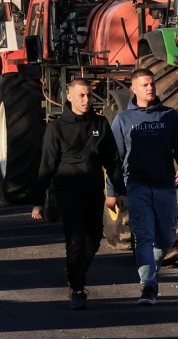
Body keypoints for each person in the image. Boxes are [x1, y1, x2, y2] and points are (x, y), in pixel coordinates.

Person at [30, 79, 124, 310]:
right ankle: (78, 288)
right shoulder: (57, 127)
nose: (86, 100)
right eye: (81, 95)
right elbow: (47, 165)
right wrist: (37, 202)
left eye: (89, 95)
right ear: (69, 97)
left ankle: (75, 271)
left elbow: (112, 160)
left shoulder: (100, 124)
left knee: (94, 238)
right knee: (75, 238)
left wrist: (119, 190)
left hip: (92, 189)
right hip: (67, 189)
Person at [109, 68, 178, 305]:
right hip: (136, 186)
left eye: (152, 84)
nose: (150, 88)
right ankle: (148, 286)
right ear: (133, 89)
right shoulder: (123, 120)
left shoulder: (170, 116)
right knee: (143, 237)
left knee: (165, 239)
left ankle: (151, 272)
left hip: (165, 186)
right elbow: (114, 158)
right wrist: (113, 191)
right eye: (144, 85)